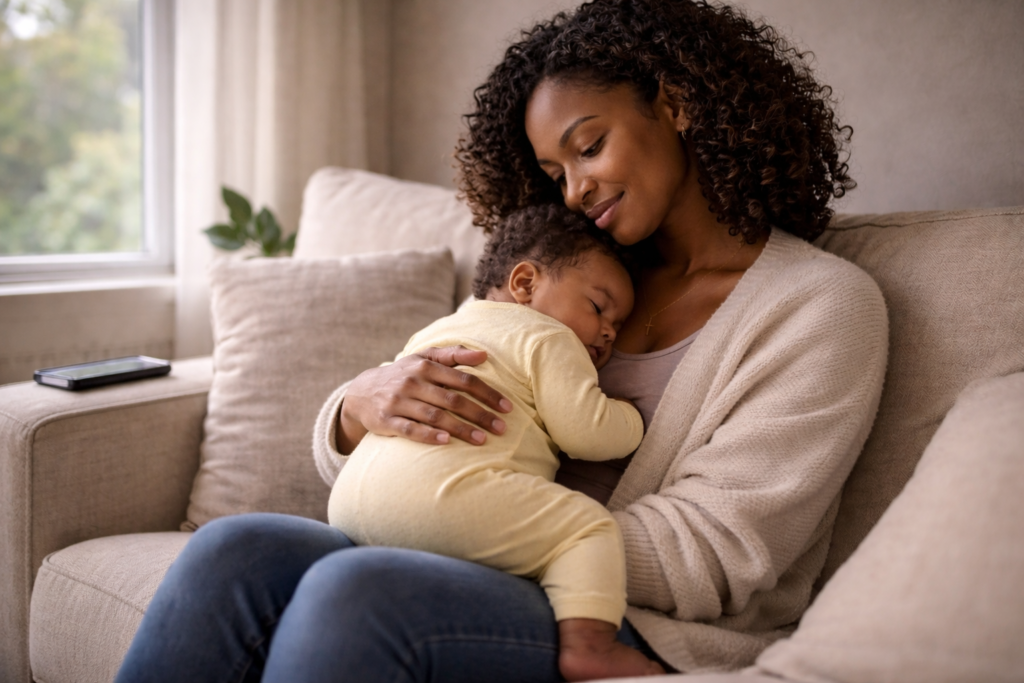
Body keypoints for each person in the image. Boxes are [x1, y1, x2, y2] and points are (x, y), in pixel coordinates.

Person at [115, 1, 888, 681]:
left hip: (634, 617)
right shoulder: (577, 272)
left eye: (590, 147)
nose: (575, 191)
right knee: (236, 549)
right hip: (477, 542)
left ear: (677, 104)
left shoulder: (820, 306)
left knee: (361, 592)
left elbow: (718, 555)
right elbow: (441, 413)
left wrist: (475, 519)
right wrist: (358, 406)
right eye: (555, 172)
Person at [329, 204, 664, 681]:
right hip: (443, 500)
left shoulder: (435, 332)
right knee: (587, 528)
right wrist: (631, 417)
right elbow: (585, 432)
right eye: (597, 306)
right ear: (525, 284)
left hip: (352, 502)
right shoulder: (549, 337)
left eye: (618, 325)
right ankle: (591, 646)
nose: (609, 331)